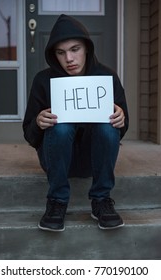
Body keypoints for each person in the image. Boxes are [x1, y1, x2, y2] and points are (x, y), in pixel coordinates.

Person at [23, 14, 129, 232]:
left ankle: (101, 200)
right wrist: (38, 123)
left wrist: (120, 119)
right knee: (60, 126)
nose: (69, 58)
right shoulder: (43, 81)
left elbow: (120, 131)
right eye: (61, 53)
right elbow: (30, 135)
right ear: (54, 55)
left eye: (75, 49)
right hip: (57, 159)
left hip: (93, 160)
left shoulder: (106, 77)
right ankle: (57, 202)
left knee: (108, 124)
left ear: (87, 48)